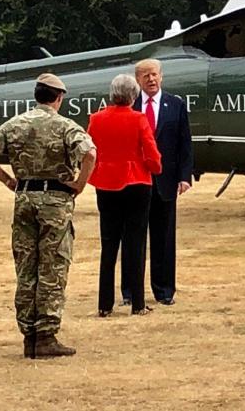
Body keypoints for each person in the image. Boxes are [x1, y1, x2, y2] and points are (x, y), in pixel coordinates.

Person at [0, 73, 96, 358]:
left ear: (36, 95)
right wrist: (79, 184)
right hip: (55, 201)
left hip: (25, 198)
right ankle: (46, 333)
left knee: (26, 266)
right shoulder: (65, 126)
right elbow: (90, 154)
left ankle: (28, 333)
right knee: (52, 266)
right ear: (59, 97)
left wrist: (8, 180)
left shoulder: (15, 124)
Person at [88, 74, 162, 317]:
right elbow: (152, 154)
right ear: (133, 95)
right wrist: (155, 167)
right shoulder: (139, 119)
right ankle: (138, 303)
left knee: (109, 244)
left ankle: (104, 304)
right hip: (137, 183)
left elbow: (90, 151)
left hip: (106, 183)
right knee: (136, 243)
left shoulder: (96, 119)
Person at [120, 59, 193, 307]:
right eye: (144, 76)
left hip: (166, 181)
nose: (150, 79)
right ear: (137, 80)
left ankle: (164, 291)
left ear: (161, 77)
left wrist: (185, 176)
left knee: (164, 238)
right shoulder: (129, 107)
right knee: (133, 237)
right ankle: (130, 291)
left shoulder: (176, 105)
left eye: (154, 75)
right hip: (135, 181)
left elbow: (185, 143)